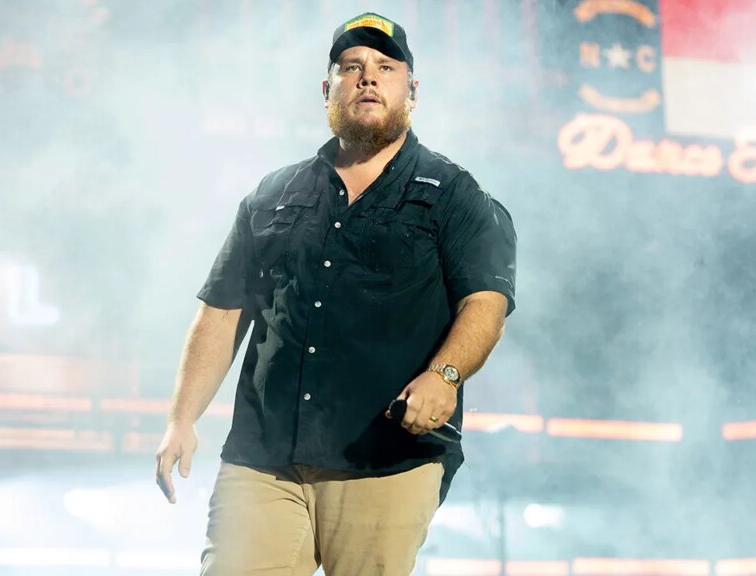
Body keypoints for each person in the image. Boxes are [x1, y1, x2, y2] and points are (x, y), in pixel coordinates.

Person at [155, 11, 517, 575]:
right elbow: (221, 313)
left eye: (386, 67)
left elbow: (485, 303)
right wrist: (182, 419)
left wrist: (445, 376)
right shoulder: (274, 194)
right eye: (351, 67)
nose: (368, 77)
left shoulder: (454, 194)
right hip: (263, 457)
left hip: (385, 460)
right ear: (328, 90)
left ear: (412, 91)